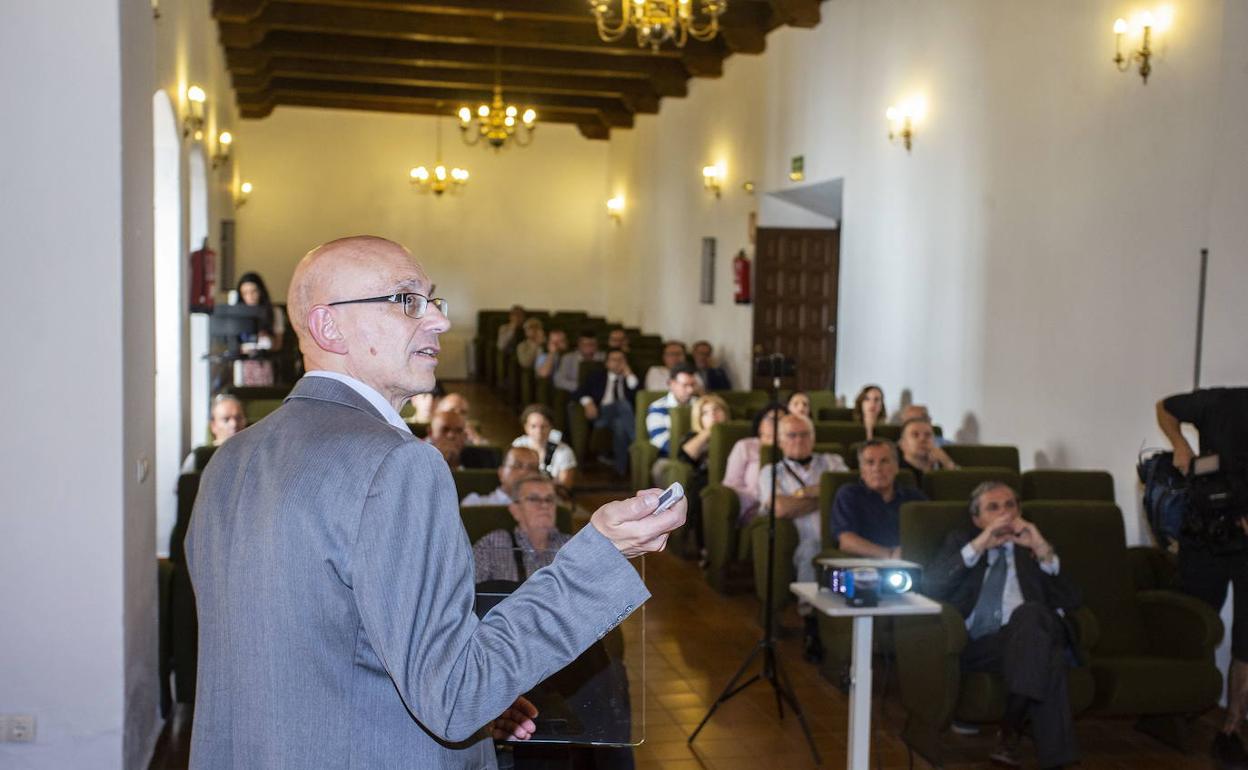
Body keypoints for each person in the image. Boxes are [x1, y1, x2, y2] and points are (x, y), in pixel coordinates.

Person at [186, 235, 685, 768]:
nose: (439, 321)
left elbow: (315, 653)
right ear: (329, 327)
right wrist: (601, 553)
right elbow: (454, 696)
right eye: (406, 301)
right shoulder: (399, 464)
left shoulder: (230, 459)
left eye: (432, 300)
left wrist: (470, 693)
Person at [924, 482, 1080, 769]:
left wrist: (1042, 548)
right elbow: (931, 586)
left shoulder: (1032, 548)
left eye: (1011, 506)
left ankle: (1012, 733)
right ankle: (1014, 729)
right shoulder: (962, 542)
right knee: (1048, 656)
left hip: (1027, 632)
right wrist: (979, 545)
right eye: (993, 508)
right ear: (976, 519)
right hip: (981, 646)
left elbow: (1072, 600)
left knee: (1032, 617)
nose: (1005, 514)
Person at [1157, 387, 1248, 768]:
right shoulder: (1223, 402)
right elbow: (1165, 407)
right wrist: (1179, 444)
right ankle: (1175, 707)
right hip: (1207, 530)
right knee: (1193, 620)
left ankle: (1232, 726)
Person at [758, 413, 849, 659]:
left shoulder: (833, 461)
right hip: (802, 542)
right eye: (792, 435)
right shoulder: (771, 471)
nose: (799, 440)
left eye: (805, 434)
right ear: (780, 440)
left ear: (814, 437)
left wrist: (803, 493)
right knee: (811, 550)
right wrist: (824, 496)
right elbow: (780, 508)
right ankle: (812, 625)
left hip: (839, 537)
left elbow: (847, 492)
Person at [828, 439, 927, 559]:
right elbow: (847, 542)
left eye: (884, 461)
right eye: (870, 462)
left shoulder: (913, 497)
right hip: (865, 565)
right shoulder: (849, 495)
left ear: (896, 467)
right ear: (862, 471)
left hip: (912, 564)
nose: (877, 468)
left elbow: (928, 534)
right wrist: (890, 555)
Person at [677, 394, 731, 557]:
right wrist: (709, 432)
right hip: (706, 481)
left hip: (731, 480)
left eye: (716, 410)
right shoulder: (694, 436)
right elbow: (685, 456)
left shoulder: (735, 433)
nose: (713, 415)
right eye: (705, 413)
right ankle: (704, 548)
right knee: (702, 489)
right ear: (698, 418)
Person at [574, 348, 638, 477]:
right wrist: (588, 402)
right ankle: (636, 441)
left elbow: (638, 394)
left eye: (621, 360)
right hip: (601, 415)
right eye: (614, 360)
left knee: (620, 425)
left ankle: (620, 470)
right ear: (607, 363)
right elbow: (578, 392)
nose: (617, 363)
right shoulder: (597, 376)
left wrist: (629, 374)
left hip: (620, 418)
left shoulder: (629, 379)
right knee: (622, 403)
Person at [723, 404, 786, 525]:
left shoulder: (791, 448)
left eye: (783, 420)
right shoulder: (745, 446)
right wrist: (756, 500)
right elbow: (731, 484)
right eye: (772, 419)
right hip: (750, 506)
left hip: (784, 505)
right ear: (760, 424)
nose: (778, 423)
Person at [645, 363, 700, 484]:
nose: (690, 390)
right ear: (671, 384)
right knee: (665, 470)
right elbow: (660, 440)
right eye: (685, 385)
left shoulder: (699, 405)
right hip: (668, 457)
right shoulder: (657, 407)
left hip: (699, 455)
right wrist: (687, 453)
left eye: (693, 385)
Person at [513, 404, 577, 489]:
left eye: (543, 426)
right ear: (526, 427)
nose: (539, 431)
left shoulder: (564, 452)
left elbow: (565, 488)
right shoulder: (518, 445)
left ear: (551, 427)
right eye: (533, 426)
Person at [181, 394, 247, 473]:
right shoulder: (199, 458)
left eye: (238, 418)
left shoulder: (256, 454)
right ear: (213, 426)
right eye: (226, 419)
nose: (234, 424)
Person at [461, 446, 542, 507]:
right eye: (517, 465)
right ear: (501, 473)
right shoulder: (476, 504)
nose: (525, 472)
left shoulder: (544, 507)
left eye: (532, 468)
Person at [896, 417, 958, 484]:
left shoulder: (943, 467)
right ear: (902, 444)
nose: (922, 439)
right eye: (915, 435)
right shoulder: (896, 472)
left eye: (928, 435)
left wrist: (948, 463)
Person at [428, 409, 496, 469]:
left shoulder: (484, 460)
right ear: (431, 433)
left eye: (458, 431)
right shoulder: (419, 459)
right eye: (445, 430)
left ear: (465, 436)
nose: (451, 436)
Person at [236, 271, 286, 352]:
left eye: (254, 291)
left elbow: (278, 344)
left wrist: (268, 339)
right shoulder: (237, 314)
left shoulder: (275, 312)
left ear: (261, 291)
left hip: (266, 358)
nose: (250, 297)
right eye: (245, 293)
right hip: (243, 359)